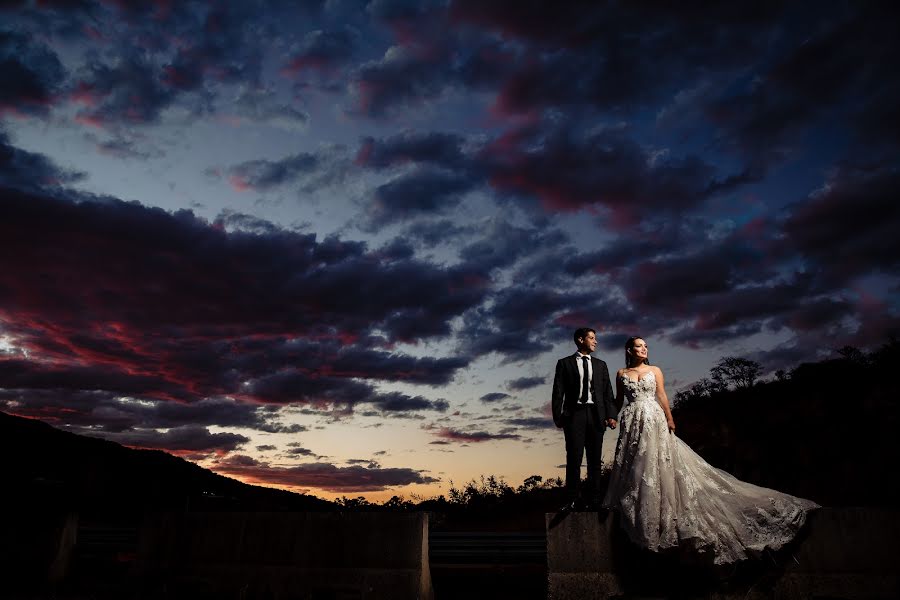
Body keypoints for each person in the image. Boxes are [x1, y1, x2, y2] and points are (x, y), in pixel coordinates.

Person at [602, 336, 820, 564]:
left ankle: (660, 511)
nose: (645, 349)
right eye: (640, 346)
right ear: (630, 350)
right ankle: (640, 509)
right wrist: (611, 416)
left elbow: (662, 395)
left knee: (656, 462)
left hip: (653, 419)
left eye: (646, 346)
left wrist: (670, 417)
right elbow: (619, 400)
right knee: (635, 464)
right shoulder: (621, 374)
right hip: (632, 420)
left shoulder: (654, 370)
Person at [552, 327, 619, 510]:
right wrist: (559, 417)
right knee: (574, 458)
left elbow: (608, 393)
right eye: (591, 338)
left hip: (597, 416)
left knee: (595, 460)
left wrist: (611, 415)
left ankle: (594, 500)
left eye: (595, 338)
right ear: (580, 340)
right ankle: (572, 500)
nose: (595, 341)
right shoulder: (564, 363)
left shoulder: (600, 365)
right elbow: (558, 392)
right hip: (574, 416)